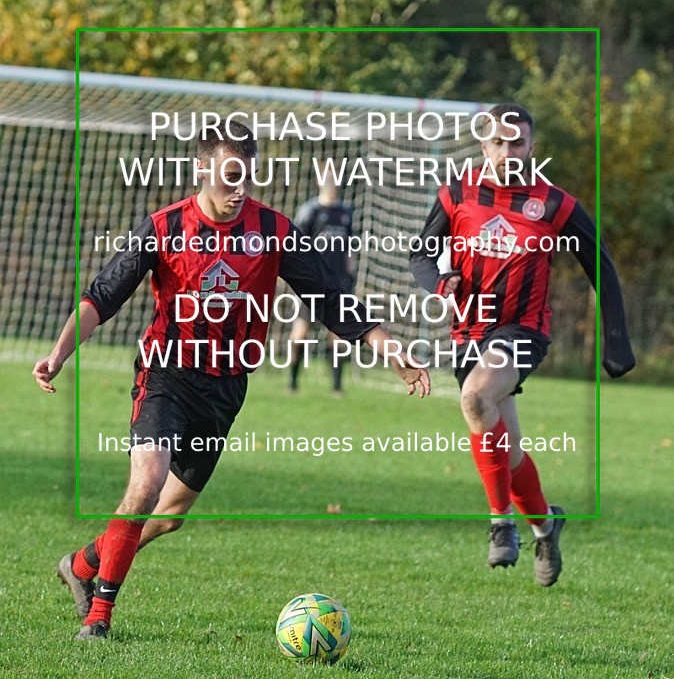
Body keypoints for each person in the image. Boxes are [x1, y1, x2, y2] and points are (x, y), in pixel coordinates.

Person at [33, 121, 430, 641]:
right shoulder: (163, 227)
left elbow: (330, 297)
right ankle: (99, 615)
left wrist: (385, 343)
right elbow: (103, 294)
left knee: (171, 515)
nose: (239, 187)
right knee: (146, 483)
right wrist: (59, 354)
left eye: (248, 175)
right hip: (166, 375)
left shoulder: (274, 231)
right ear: (203, 167)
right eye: (230, 175)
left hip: (225, 387)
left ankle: (85, 564)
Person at [410, 103, 634, 586]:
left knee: (474, 397)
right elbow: (421, 255)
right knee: (506, 449)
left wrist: (616, 342)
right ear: (483, 144)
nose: (507, 151)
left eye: (517, 143)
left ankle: (500, 523)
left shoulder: (555, 204)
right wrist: (441, 281)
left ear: (533, 147)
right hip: (468, 333)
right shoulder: (457, 193)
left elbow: (603, 267)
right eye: (498, 142)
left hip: (521, 330)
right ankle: (545, 525)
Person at [288, 170, 356, 394]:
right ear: (319, 181)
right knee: (299, 333)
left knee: (337, 336)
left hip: (337, 285)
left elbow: (349, 251)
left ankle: (337, 387)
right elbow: (297, 248)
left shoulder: (346, 212)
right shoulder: (310, 211)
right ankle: (292, 383)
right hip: (311, 284)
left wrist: (350, 277)